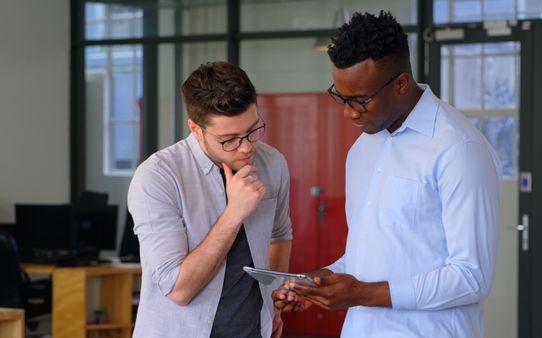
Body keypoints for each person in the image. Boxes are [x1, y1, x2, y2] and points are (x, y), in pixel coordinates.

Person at [274, 11, 502, 338]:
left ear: (401, 84)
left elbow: (471, 277)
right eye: (341, 97)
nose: (349, 113)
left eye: (360, 100)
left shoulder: (459, 150)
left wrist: (362, 293)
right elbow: (370, 257)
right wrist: (323, 282)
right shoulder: (363, 148)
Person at [128, 61, 292, 338]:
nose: (246, 147)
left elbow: (280, 234)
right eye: (228, 139)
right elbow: (178, 289)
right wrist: (234, 213)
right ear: (195, 129)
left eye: (253, 130)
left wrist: (273, 299)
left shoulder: (272, 162)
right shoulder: (157, 177)